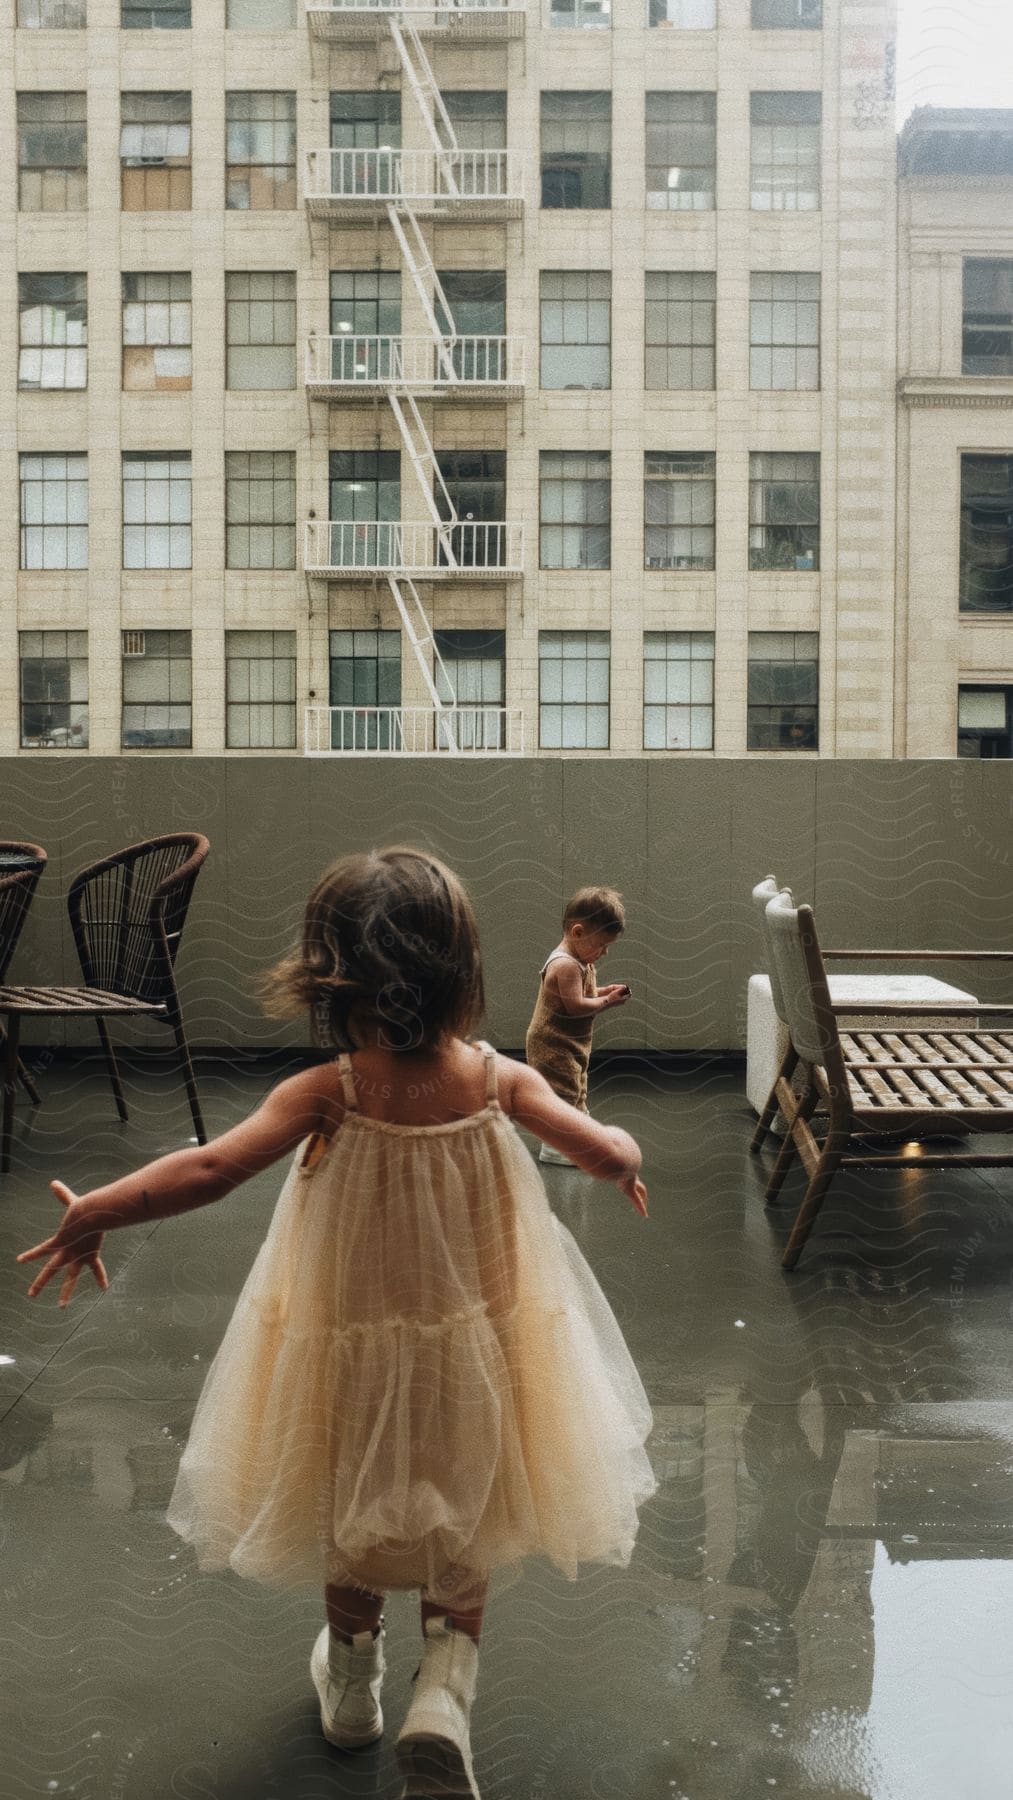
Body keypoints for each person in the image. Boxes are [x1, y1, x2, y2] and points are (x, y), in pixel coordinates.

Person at [18, 847, 654, 1800]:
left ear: (331, 975)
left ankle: (352, 1690)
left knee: (351, 1502)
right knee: (468, 1504)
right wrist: (625, 1153)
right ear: (463, 971)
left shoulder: (330, 1090)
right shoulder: (498, 1081)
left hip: (349, 1345)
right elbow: (602, 1151)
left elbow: (208, 1169)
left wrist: (98, 1207)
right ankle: (443, 1692)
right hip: (479, 1351)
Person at [525, 885, 631, 1166]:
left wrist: (605, 990)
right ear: (578, 932)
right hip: (553, 1044)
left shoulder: (580, 960)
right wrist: (608, 1002)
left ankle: (579, 1137)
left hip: (570, 1042)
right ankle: (556, 1148)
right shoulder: (566, 966)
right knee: (563, 1092)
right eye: (601, 945)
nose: (604, 953)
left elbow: (583, 995)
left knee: (576, 1086)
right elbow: (576, 1006)